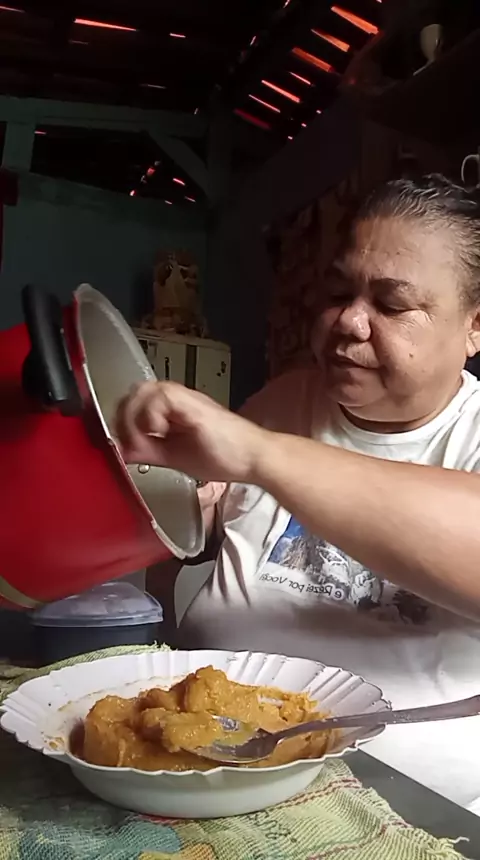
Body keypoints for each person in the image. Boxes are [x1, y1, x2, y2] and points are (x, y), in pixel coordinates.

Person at [116, 175, 480, 815]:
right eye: (338, 293)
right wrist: (188, 516)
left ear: (475, 327)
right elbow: (203, 536)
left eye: (392, 306)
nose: (348, 322)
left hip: (402, 809)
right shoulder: (287, 399)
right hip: (202, 765)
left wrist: (260, 454)